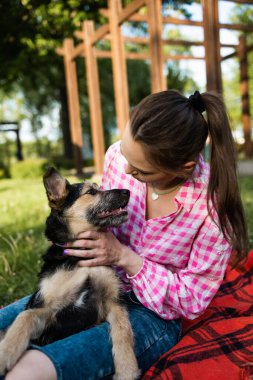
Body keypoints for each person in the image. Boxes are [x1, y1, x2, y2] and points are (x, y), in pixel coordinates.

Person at [0, 90, 248, 380]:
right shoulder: (118, 157)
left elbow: (192, 299)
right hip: (84, 282)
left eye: (141, 170)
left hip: (152, 313)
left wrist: (127, 258)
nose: (126, 169)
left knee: (28, 371)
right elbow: (94, 215)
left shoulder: (212, 209)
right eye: (126, 155)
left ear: (184, 168)